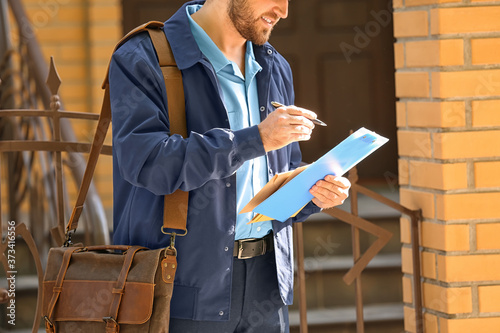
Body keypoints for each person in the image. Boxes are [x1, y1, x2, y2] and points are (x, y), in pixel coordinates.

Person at [109, 0, 351, 332]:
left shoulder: (274, 65)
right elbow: (148, 163)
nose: (283, 10)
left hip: (267, 288)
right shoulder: (142, 58)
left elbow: (281, 170)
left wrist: (314, 192)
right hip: (177, 288)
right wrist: (256, 139)